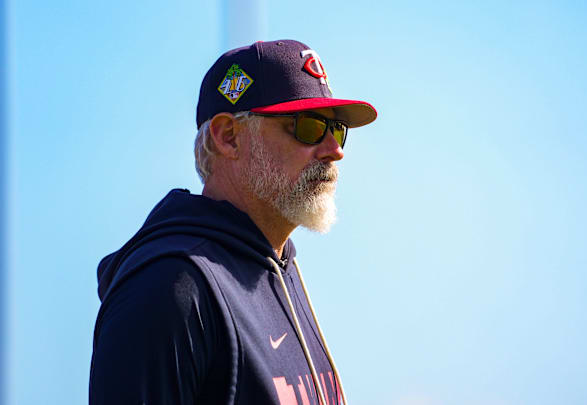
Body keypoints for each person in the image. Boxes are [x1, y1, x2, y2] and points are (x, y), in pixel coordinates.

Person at [89, 39, 376, 405]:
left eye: (336, 129)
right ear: (228, 137)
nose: (334, 149)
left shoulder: (280, 267)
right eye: (308, 126)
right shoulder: (169, 287)